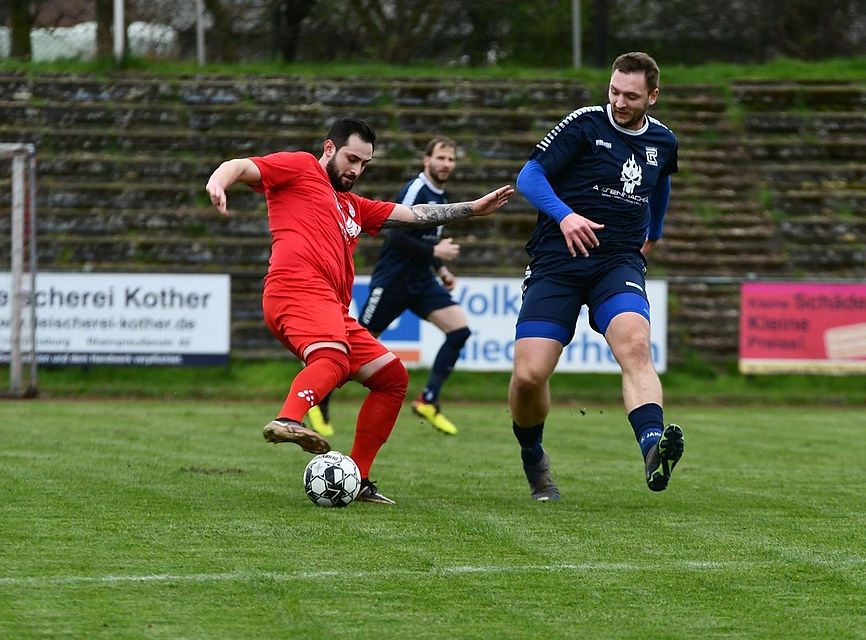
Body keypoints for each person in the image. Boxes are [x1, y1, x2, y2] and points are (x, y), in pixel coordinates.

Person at [205, 117, 513, 505]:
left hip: (331, 307)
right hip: (294, 289)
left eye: (364, 164)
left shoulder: (354, 207)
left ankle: (359, 477)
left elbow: (414, 215)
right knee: (333, 358)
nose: (356, 170)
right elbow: (241, 165)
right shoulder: (300, 167)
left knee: (392, 378)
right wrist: (218, 181)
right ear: (330, 148)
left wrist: (473, 208)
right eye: (351, 158)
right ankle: (288, 419)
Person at [508, 52, 685, 501]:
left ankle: (651, 447)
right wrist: (566, 216)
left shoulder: (664, 141)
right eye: (614, 91)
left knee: (636, 344)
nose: (620, 102)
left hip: (616, 263)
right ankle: (535, 460)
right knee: (530, 375)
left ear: (653, 96)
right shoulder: (585, 124)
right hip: (557, 261)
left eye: (631, 95)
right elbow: (528, 177)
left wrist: (654, 234)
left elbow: (660, 184)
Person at [310, 136, 469, 436]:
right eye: (441, 158)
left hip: (421, 281)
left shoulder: (443, 198)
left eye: (451, 159)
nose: (446, 164)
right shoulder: (416, 189)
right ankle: (319, 402)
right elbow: (395, 235)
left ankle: (428, 401)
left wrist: (441, 269)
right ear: (427, 160)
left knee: (459, 330)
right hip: (393, 282)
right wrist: (435, 254)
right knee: (353, 348)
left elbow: (426, 241)